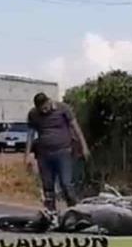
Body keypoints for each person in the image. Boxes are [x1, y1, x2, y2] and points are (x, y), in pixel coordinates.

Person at [22, 92, 90, 226]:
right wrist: (27, 155)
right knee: (48, 187)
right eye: (41, 109)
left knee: (66, 184)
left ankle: (76, 213)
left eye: (45, 107)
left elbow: (76, 128)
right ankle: (51, 216)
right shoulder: (33, 114)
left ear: (49, 102)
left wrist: (84, 147)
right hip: (43, 155)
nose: (44, 111)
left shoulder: (63, 108)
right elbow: (30, 135)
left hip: (63, 152)